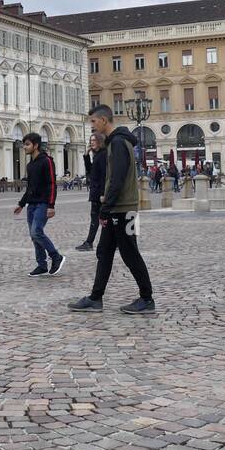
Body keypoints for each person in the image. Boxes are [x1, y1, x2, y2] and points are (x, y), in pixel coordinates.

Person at [68, 105, 155, 315]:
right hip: (118, 207)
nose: (92, 126)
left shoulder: (117, 142)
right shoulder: (115, 142)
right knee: (104, 252)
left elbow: (117, 178)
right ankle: (95, 298)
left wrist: (105, 209)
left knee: (130, 253)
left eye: (93, 122)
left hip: (123, 209)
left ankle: (147, 298)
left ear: (104, 121)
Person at [14, 132, 65, 276]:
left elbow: (52, 184)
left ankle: (56, 256)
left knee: (36, 231)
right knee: (34, 235)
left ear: (36, 145)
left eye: (27, 144)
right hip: (31, 204)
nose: (24, 147)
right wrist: (21, 204)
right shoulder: (30, 165)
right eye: (24, 144)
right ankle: (41, 265)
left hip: (43, 203)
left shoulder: (47, 161)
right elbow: (30, 187)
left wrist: (51, 205)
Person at [76, 132, 107, 251]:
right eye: (91, 140)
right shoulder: (98, 155)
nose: (92, 142)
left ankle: (89, 242)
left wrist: (103, 193)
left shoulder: (103, 155)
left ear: (100, 141)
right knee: (98, 218)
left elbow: (104, 176)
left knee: (98, 218)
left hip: (99, 193)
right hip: (96, 192)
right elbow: (90, 170)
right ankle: (90, 242)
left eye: (94, 140)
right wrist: (86, 155)